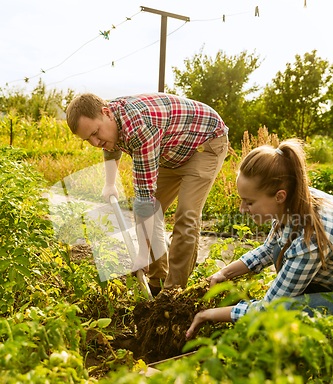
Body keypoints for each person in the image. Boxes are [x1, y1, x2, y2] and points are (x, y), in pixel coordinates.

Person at [66, 92, 229, 294]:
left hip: (205, 141)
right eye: (88, 138)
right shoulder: (111, 121)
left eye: (96, 133)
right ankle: (157, 279)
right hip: (170, 149)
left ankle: (173, 292)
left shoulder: (140, 128)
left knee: (186, 215)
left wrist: (141, 255)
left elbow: (145, 199)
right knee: (148, 212)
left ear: (106, 113)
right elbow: (111, 147)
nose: (95, 142)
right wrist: (110, 183)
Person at [186, 139, 333, 339]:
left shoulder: (310, 240)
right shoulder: (296, 201)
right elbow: (268, 249)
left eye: (249, 202)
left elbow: (268, 309)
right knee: (276, 251)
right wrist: (224, 273)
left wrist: (209, 315)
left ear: (279, 196)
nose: (242, 209)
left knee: (284, 310)